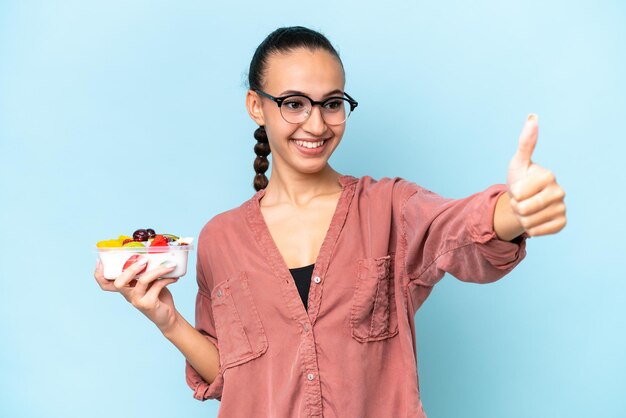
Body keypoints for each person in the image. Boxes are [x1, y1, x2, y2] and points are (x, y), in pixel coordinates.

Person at [94, 26, 566, 418]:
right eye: (294, 103)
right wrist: (166, 319)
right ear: (257, 107)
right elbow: (231, 375)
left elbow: (458, 227)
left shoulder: (389, 208)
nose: (317, 125)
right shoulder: (222, 239)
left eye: (332, 103)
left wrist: (513, 210)